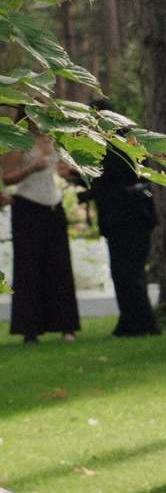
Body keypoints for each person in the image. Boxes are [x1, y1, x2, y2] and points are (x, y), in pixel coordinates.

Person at [83, 124, 161, 338]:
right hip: (135, 218)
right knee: (130, 274)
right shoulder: (130, 148)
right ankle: (133, 322)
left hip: (124, 220)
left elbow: (105, 182)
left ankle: (143, 323)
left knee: (127, 274)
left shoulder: (112, 154)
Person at [4, 132, 80, 342]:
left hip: (54, 205)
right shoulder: (17, 140)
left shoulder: (52, 139)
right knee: (29, 267)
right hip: (28, 204)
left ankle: (67, 327)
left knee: (60, 265)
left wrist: (67, 173)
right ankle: (30, 330)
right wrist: (31, 168)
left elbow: (59, 168)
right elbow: (7, 177)